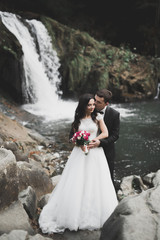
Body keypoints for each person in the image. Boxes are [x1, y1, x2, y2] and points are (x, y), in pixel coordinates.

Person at [39, 93, 118, 234]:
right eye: (90, 105)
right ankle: (73, 214)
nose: (93, 107)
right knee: (76, 181)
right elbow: (72, 138)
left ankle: (96, 213)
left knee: (96, 182)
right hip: (79, 154)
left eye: (94, 104)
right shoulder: (77, 120)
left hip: (95, 153)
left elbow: (105, 133)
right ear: (83, 106)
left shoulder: (98, 117)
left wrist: (95, 140)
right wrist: (78, 143)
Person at [89, 89, 120, 183]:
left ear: (106, 103)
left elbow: (115, 135)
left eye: (98, 102)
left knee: (107, 179)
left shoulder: (114, 114)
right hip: (88, 149)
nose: (94, 103)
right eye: (94, 99)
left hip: (107, 151)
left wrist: (100, 143)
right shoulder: (88, 109)